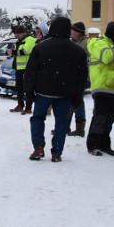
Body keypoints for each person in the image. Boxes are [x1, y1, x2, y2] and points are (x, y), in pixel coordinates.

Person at [23, 17, 89, 162]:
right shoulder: (77, 51)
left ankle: (38, 147)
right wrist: (77, 95)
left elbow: (30, 73)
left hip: (43, 92)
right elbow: (82, 77)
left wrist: (29, 95)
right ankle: (57, 152)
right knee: (61, 123)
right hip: (64, 93)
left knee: (37, 119)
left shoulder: (40, 48)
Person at [86, 21, 114, 156]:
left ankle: (105, 144)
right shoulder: (98, 43)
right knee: (99, 118)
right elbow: (106, 57)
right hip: (102, 87)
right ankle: (93, 144)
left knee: (110, 119)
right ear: (111, 30)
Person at [65, 21, 89, 137]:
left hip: (81, 78)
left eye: (73, 30)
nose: (71, 32)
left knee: (77, 102)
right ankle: (68, 127)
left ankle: (78, 129)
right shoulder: (75, 43)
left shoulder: (84, 44)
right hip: (74, 77)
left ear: (79, 32)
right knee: (74, 102)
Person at [23, 21, 49, 115]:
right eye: (36, 32)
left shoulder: (47, 42)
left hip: (44, 72)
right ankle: (29, 107)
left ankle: (47, 108)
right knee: (29, 89)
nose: (37, 34)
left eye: (39, 32)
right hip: (34, 70)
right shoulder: (36, 42)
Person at [9, 25, 35, 113]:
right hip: (19, 68)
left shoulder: (29, 39)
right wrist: (12, 53)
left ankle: (28, 108)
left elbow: (25, 51)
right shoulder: (19, 41)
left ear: (23, 33)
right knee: (19, 88)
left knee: (28, 89)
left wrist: (13, 52)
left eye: (18, 34)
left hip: (27, 68)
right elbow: (18, 54)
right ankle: (20, 105)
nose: (16, 36)